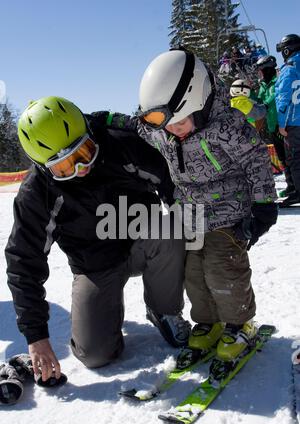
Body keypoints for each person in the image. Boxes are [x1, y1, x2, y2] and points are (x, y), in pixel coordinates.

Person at [97, 49, 278, 363]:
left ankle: (239, 323)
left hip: (228, 215)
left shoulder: (227, 126)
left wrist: (263, 206)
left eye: (178, 122)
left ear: (200, 102)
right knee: (193, 274)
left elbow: (257, 162)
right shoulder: (166, 128)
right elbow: (139, 127)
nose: (172, 130)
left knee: (224, 272)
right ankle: (209, 322)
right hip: (191, 216)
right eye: (166, 124)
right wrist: (107, 119)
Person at [5, 96, 191, 383]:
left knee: (170, 229)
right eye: (65, 168)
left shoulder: (122, 143)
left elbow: (175, 187)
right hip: (95, 265)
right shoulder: (36, 194)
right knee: (95, 355)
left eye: (84, 153)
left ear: (91, 134)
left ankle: (163, 310)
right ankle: (104, 320)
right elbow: (23, 262)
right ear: (43, 168)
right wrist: (36, 337)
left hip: (143, 242)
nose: (82, 168)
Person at [256, 55, 295, 199]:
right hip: (272, 126)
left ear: (267, 69)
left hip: (282, 124)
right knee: (282, 158)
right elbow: (258, 100)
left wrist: (264, 104)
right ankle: (291, 185)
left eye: (261, 70)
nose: (259, 73)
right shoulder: (263, 85)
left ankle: (295, 186)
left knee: (289, 157)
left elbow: (274, 98)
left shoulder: (277, 81)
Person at [275, 34, 300, 207]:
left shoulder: (290, 68)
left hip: (293, 121)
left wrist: (282, 123)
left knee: (294, 158)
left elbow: (283, 97)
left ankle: (298, 192)